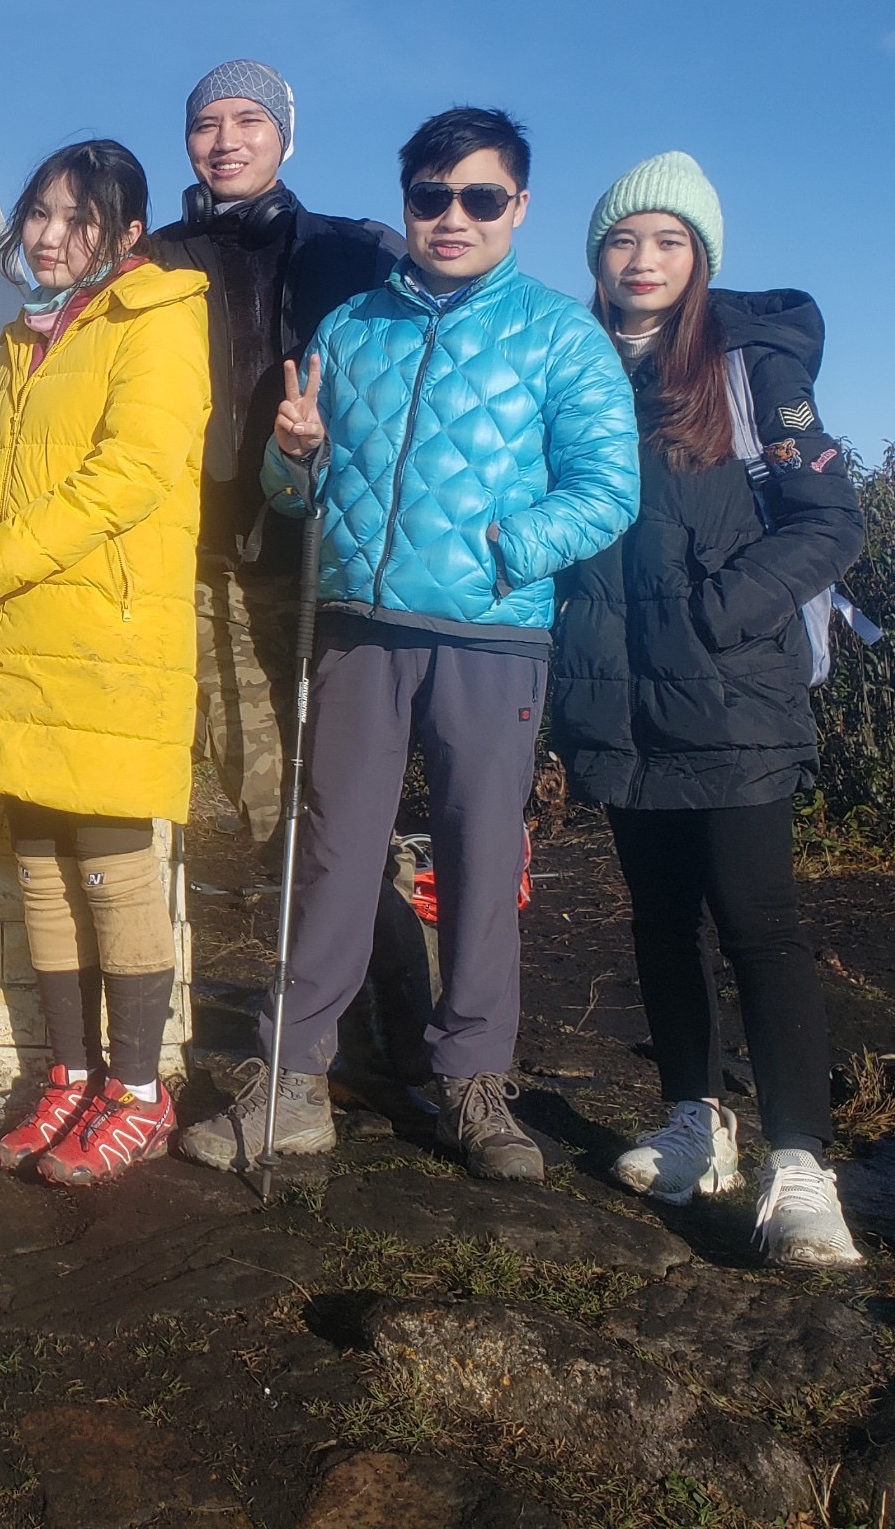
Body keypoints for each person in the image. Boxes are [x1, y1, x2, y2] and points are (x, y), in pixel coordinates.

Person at [185, 108, 640, 1182]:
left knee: (483, 859)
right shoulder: (351, 330)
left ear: (518, 208)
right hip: (356, 630)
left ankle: (474, 1088)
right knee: (333, 853)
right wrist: (293, 458)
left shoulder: (559, 336)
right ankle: (292, 1082)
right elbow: (295, 495)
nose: (451, 217)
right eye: (430, 197)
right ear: (407, 204)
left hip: (492, 638)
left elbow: (607, 489)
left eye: (480, 197)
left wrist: (503, 546)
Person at [550, 152, 866, 1265]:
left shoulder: (750, 367)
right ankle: (695, 1121)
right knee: (656, 919)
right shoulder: (566, 362)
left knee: (757, 922)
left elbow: (828, 520)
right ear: (596, 257)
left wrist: (717, 615)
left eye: (667, 242)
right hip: (614, 693)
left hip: (732, 692)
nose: (642, 261)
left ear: (700, 260)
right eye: (622, 241)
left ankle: (799, 1168)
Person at [0, 140, 212, 1185]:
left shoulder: (160, 318)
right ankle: (71, 1076)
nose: (50, 235)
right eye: (40, 212)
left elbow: (133, 469)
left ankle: (137, 1090)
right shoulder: (26, 335)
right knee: (40, 860)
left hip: (102, 638)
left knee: (112, 861)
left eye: (79, 219)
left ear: (128, 234)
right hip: (20, 636)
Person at [150, 62, 397, 871]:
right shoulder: (149, 266)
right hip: (204, 565)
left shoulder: (357, 252)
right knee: (270, 810)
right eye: (206, 123)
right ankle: (316, 990)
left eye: (249, 120)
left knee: (348, 802)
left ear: (285, 136)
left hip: (335, 563)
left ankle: (384, 990)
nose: (226, 141)